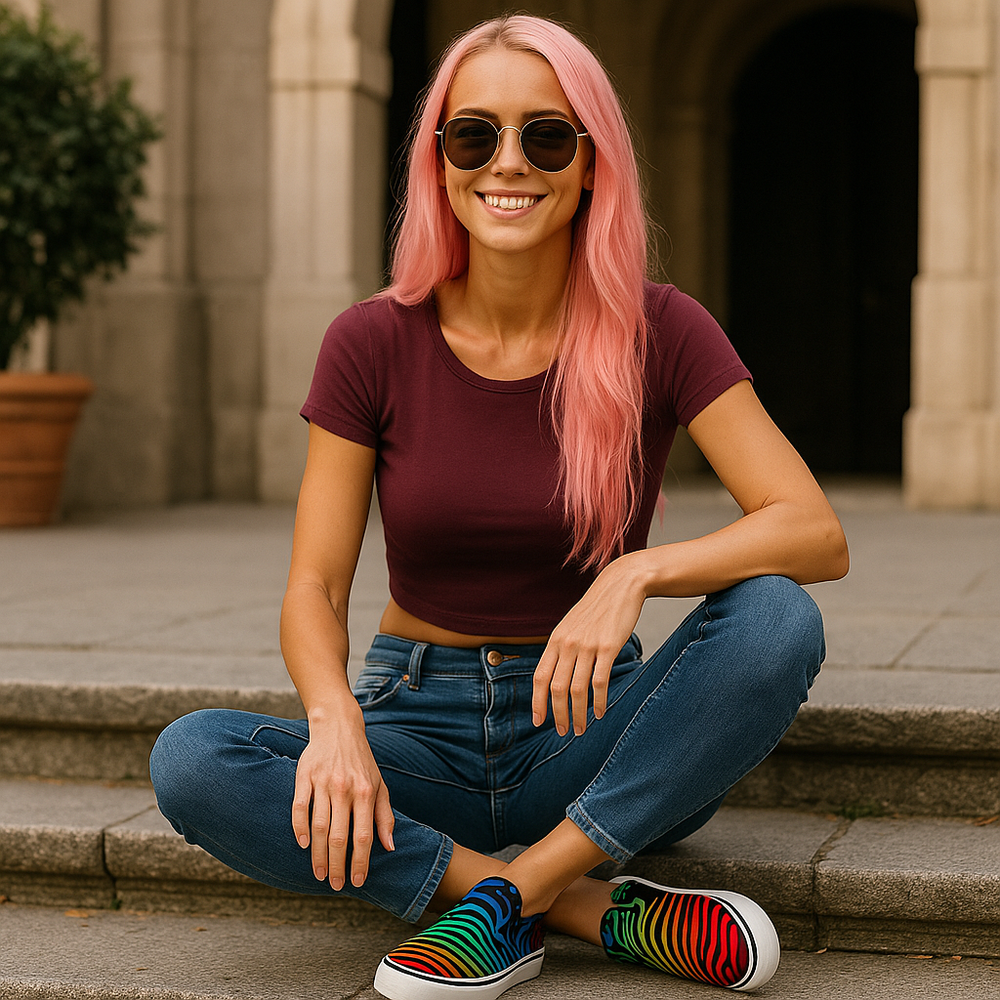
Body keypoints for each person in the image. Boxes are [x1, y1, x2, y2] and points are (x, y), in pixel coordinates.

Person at [150, 13, 848, 1000]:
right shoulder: (370, 341)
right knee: (193, 758)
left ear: (591, 162)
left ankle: (504, 894)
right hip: (412, 728)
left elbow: (812, 530)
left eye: (546, 135)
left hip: (591, 730)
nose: (507, 163)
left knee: (775, 611)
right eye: (473, 135)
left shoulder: (661, 327)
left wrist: (636, 571)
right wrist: (333, 713)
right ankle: (577, 902)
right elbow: (313, 583)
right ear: (439, 163)